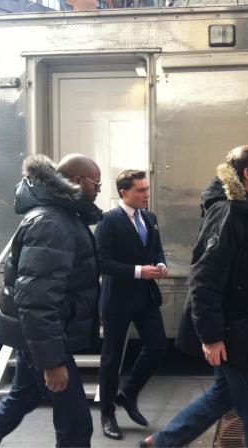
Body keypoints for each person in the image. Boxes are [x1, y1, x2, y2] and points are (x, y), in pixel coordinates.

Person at [141, 146, 248, 448]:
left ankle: (161, 443)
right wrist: (211, 337)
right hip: (236, 332)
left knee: (222, 396)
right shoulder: (227, 214)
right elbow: (204, 279)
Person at [0, 153, 103, 447]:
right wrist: (52, 361)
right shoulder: (52, 222)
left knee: (20, 399)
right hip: (44, 339)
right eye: (96, 184)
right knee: (76, 424)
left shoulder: (60, 216)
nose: (98, 191)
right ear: (78, 181)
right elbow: (37, 299)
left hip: (36, 337)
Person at [95, 169, 168, 440]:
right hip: (117, 299)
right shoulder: (108, 221)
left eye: (147, 189)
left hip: (145, 296)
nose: (146, 194)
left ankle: (128, 394)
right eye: (140, 190)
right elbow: (101, 262)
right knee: (111, 359)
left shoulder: (150, 218)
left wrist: (160, 264)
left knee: (158, 345)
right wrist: (139, 271)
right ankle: (107, 414)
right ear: (124, 192)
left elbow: (156, 249)